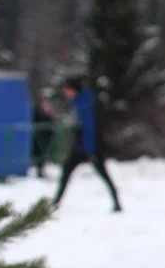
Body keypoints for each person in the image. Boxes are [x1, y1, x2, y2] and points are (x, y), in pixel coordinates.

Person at [52, 77, 122, 212]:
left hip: (90, 147)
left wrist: (90, 151)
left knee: (103, 174)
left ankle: (117, 203)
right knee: (67, 170)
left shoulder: (85, 103)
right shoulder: (79, 101)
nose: (65, 93)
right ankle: (56, 202)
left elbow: (90, 129)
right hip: (82, 147)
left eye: (67, 90)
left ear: (74, 90)